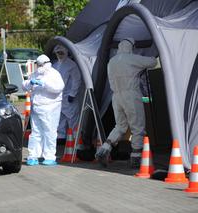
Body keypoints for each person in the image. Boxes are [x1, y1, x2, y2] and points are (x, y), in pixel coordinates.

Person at [95, 38, 157, 168]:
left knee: (120, 126)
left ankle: (104, 149)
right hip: (131, 95)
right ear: (130, 47)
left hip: (116, 96)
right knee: (137, 127)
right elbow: (152, 62)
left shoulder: (111, 62)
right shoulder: (131, 58)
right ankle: (136, 158)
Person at [22, 54, 65, 166]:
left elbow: (59, 88)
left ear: (47, 64)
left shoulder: (54, 74)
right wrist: (30, 83)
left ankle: (50, 157)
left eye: (41, 64)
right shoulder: (35, 74)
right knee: (36, 133)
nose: (39, 66)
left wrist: (45, 84)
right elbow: (24, 85)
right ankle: (33, 156)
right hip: (36, 107)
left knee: (49, 132)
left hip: (51, 108)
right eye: (38, 64)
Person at [52, 45, 82, 144]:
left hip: (68, 96)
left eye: (61, 53)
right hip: (58, 96)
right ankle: (61, 137)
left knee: (72, 118)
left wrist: (73, 93)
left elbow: (76, 79)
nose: (60, 55)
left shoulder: (71, 65)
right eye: (58, 53)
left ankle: (75, 138)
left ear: (66, 53)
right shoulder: (55, 65)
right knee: (60, 117)